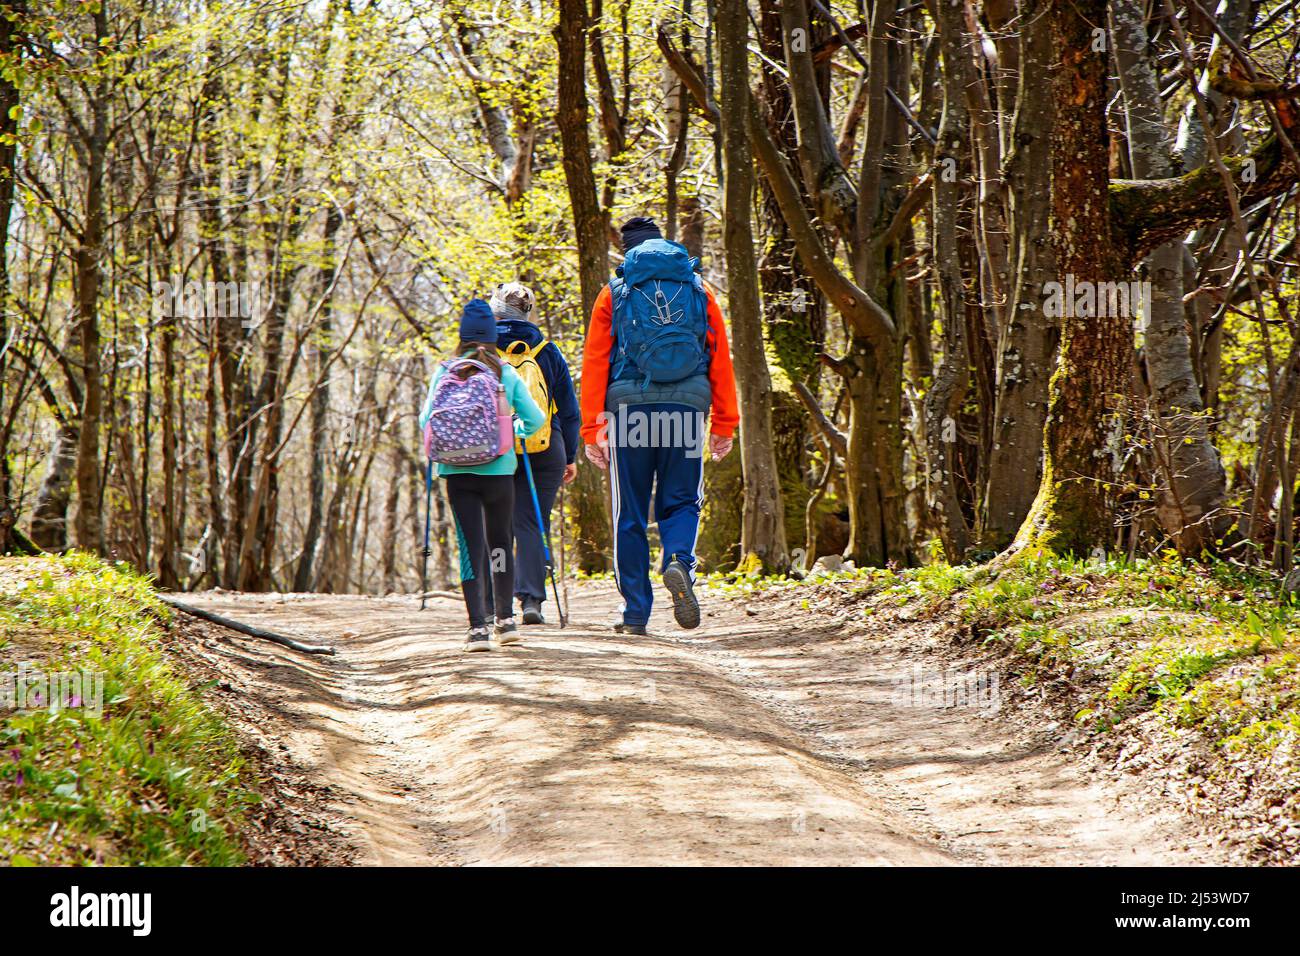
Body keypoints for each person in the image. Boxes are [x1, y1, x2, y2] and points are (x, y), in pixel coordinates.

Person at [579, 216, 738, 635]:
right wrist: (724, 422)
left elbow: (595, 363)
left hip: (629, 411)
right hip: (686, 409)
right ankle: (678, 560)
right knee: (683, 500)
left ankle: (635, 613)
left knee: (628, 510)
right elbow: (720, 357)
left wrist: (592, 429)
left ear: (626, 253)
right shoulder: (697, 289)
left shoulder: (614, 293)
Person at [419, 299, 547, 652]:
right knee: (500, 542)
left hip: (456, 473)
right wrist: (511, 431)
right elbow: (535, 420)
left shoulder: (445, 370)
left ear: (461, 336)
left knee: (469, 546)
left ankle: (478, 628)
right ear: (493, 337)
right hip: (499, 471)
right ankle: (506, 622)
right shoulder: (503, 371)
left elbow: (424, 421)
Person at [489, 282, 581, 625]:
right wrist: (570, 456)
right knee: (530, 522)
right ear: (528, 313)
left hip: (495, 447)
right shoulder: (546, 349)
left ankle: (496, 602)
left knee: (496, 525)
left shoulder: (480, 348)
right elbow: (569, 411)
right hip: (544, 446)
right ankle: (532, 601)